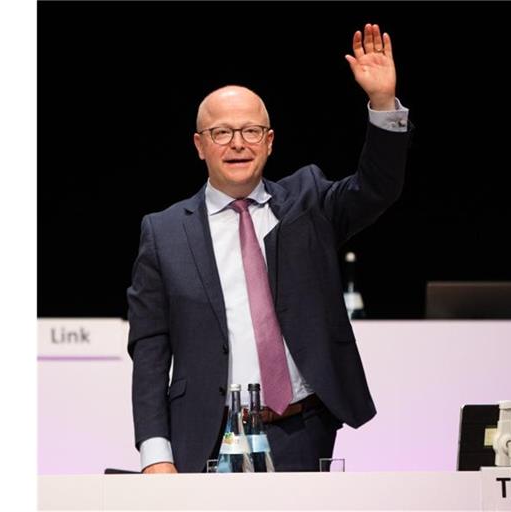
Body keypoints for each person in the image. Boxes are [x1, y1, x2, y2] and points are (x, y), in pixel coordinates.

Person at [127, 23, 411, 473]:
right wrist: (155, 455)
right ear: (200, 146)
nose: (238, 143)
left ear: (270, 141)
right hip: (206, 437)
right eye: (221, 133)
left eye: (251, 131)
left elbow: (377, 188)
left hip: (302, 429)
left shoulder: (309, 200)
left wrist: (381, 103)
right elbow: (150, 350)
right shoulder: (163, 232)